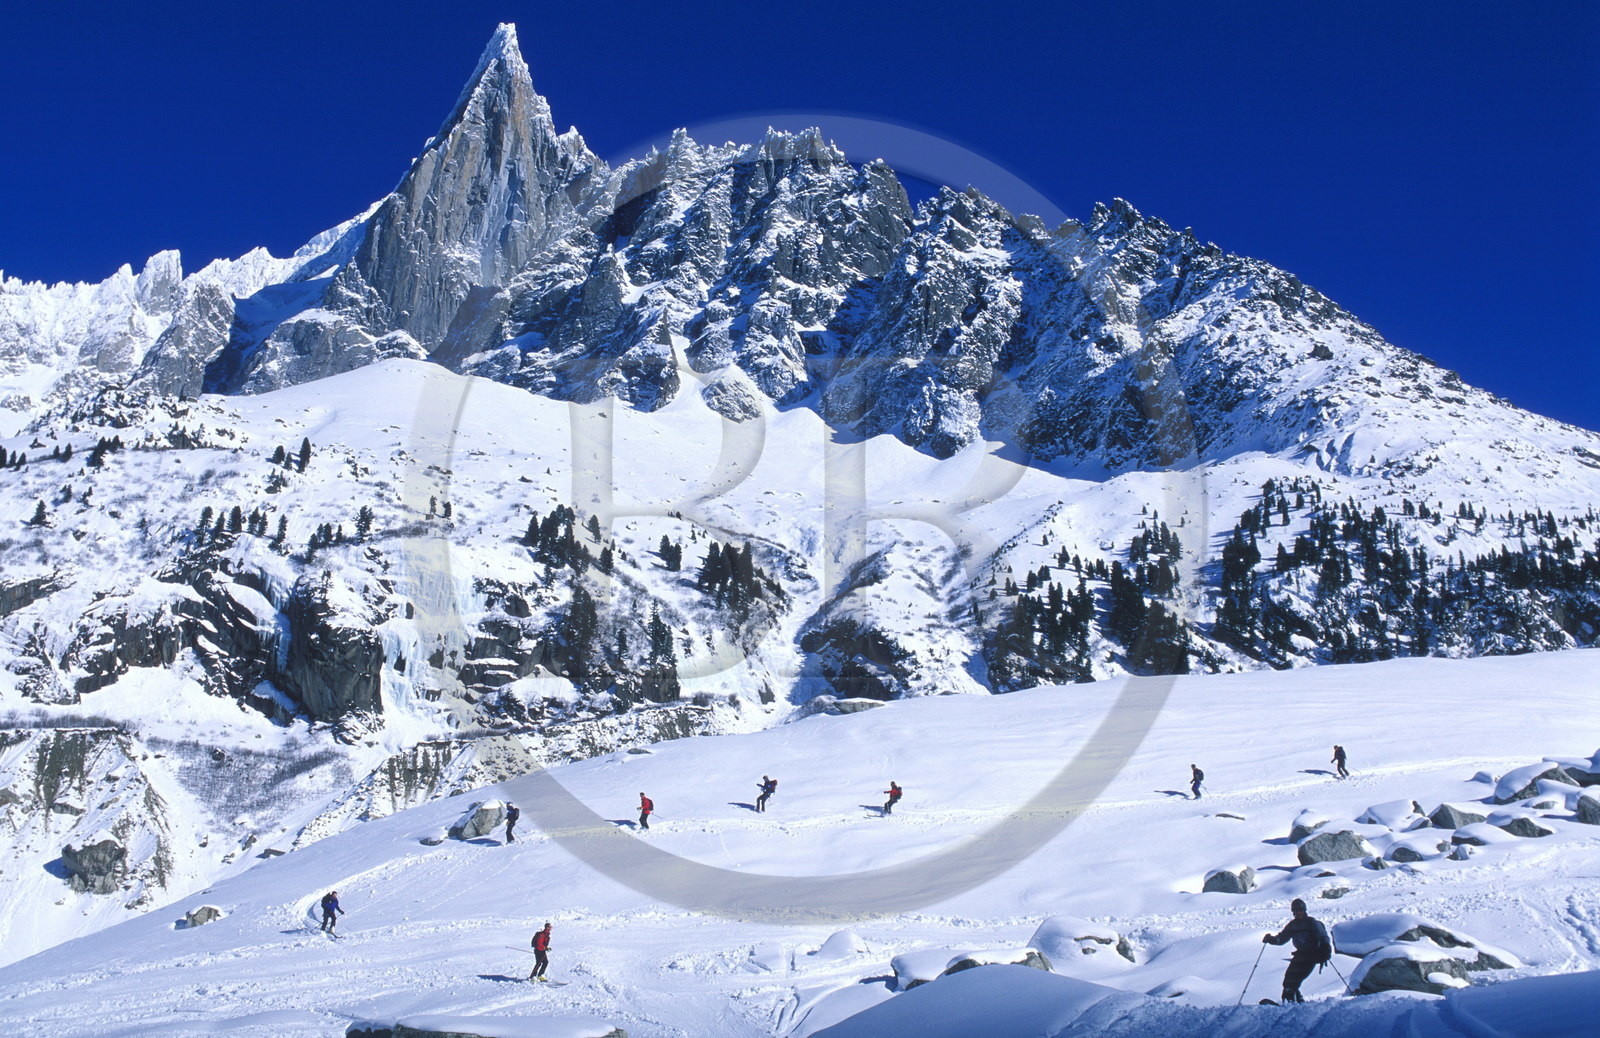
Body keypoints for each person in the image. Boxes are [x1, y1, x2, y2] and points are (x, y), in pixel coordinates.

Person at [1262, 898, 1332, 1003]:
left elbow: (1323, 937)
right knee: (1288, 981)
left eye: (1300, 910)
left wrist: (1326, 948)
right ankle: (1296, 1002)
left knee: (1293, 982)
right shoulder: (1293, 925)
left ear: (1304, 911)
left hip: (1312, 955)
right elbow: (1282, 938)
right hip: (1300, 955)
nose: (1298, 913)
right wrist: (1271, 939)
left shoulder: (1312, 923)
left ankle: (1292, 1003)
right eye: (1295, 911)